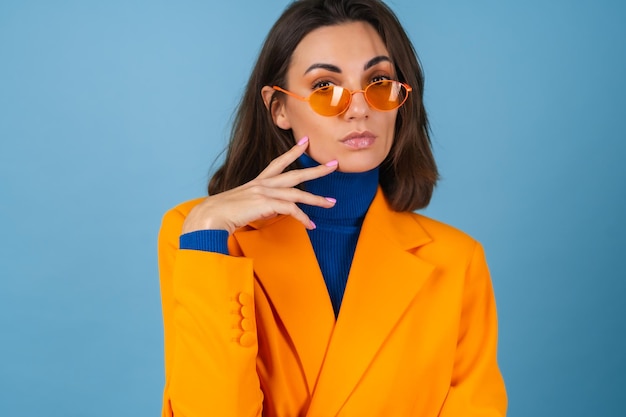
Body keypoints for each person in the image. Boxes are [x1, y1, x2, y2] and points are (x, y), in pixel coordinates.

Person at [158, 0, 507, 415]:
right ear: (279, 108)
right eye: (325, 87)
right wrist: (207, 228)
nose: (359, 108)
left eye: (379, 80)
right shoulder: (202, 234)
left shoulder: (457, 261)